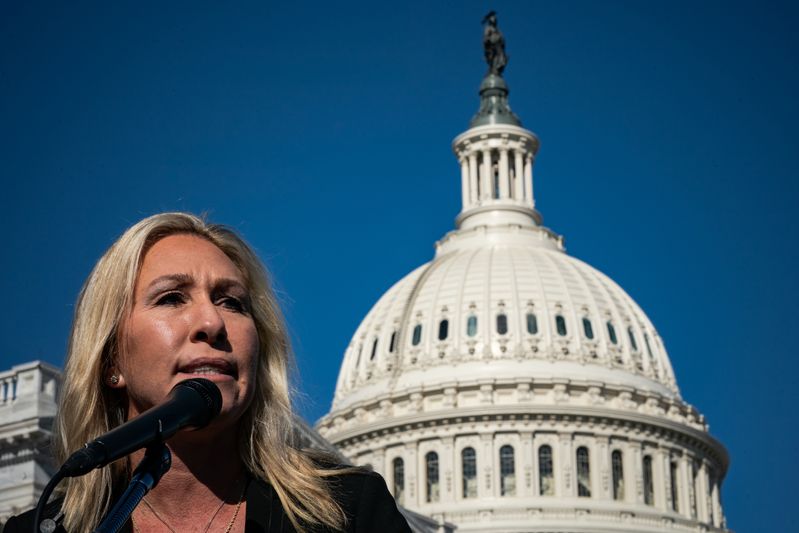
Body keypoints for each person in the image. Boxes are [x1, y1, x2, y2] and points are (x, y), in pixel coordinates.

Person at [4, 213, 411, 533]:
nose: (212, 322)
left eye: (232, 302)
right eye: (171, 298)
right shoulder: (45, 529)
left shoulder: (348, 512)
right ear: (111, 361)